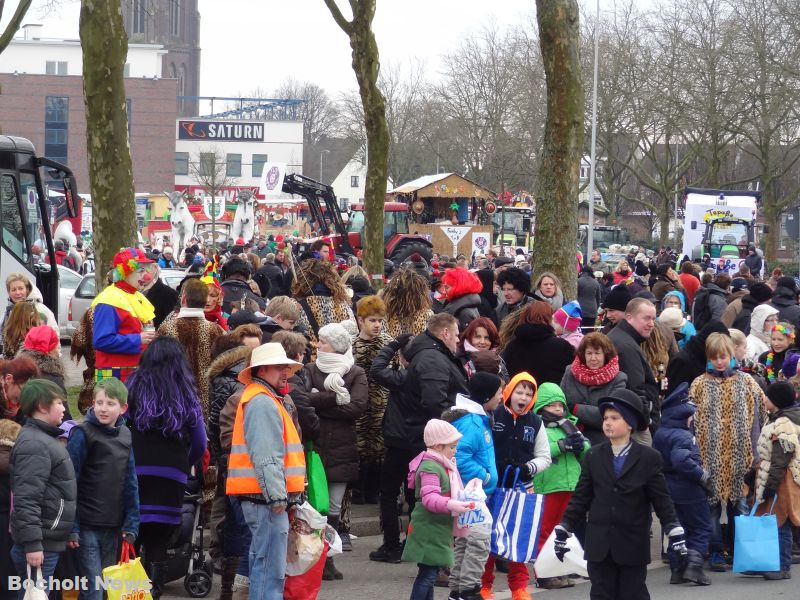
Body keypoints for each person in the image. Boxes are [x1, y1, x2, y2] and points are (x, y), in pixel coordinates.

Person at [555, 389, 687, 600]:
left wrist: (674, 529)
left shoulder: (649, 457)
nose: (607, 422)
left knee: (633, 594)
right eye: (605, 418)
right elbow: (581, 498)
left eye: (615, 418)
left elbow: (661, 499)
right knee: (600, 594)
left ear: (630, 424)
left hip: (632, 544)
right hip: (599, 545)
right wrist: (564, 529)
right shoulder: (592, 455)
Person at [225, 342, 304, 600]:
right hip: (266, 500)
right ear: (262, 370)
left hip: (262, 498)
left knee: (265, 564)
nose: (285, 371)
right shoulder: (262, 401)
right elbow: (267, 456)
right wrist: (278, 497)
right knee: (270, 569)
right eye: (280, 367)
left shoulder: (261, 398)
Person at [126, 337, 206, 591]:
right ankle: (155, 591)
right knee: (159, 540)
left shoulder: (133, 385)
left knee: (132, 535)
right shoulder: (186, 392)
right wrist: (185, 465)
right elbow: (200, 442)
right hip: (172, 473)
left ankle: (131, 593)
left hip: (135, 469)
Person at [289, 323, 368, 569]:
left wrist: (319, 403)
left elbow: (357, 407)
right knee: (312, 505)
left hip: (342, 448)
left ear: (335, 345)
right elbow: (303, 400)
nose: (317, 345)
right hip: (314, 446)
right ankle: (314, 558)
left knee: (332, 506)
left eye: (322, 341)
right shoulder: (310, 369)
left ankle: (327, 558)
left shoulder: (355, 373)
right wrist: (334, 398)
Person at [690, 332, 766, 572]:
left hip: (739, 453)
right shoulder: (699, 384)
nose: (719, 362)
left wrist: (755, 452)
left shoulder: (746, 382)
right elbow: (691, 419)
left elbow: (759, 417)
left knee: (739, 504)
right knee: (711, 505)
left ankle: (739, 549)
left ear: (732, 356)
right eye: (715, 358)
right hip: (709, 453)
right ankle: (715, 550)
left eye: (723, 357)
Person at [66, 377, 140, 600]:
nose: (103, 408)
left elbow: (130, 483)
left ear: (123, 408)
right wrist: (73, 526)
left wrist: (132, 523)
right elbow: (70, 482)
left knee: (106, 587)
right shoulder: (82, 434)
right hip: (87, 524)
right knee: (93, 589)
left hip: (113, 525)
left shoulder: (125, 436)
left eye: (110, 403)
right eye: (99, 402)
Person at [481, 373, 552, 598]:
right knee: (488, 538)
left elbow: (545, 457)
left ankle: (519, 587)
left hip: (522, 486)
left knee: (519, 538)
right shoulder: (493, 415)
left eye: (529, 393)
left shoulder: (536, 422)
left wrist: (528, 468)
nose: (523, 397)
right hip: (493, 485)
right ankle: (484, 585)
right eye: (520, 392)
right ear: (509, 392)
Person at [9, 379, 76, 595]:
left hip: (47, 541)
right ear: (43, 406)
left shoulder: (43, 440)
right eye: (59, 403)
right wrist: (33, 545)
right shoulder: (35, 444)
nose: (64, 408)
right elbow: (27, 498)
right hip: (41, 544)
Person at [442, 372, 504, 600]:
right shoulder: (471, 422)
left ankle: (458, 590)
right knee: (478, 542)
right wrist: (486, 477)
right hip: (471, 494)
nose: (501, 397)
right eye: (499, 393)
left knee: (466, 542)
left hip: (474, 494)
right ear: (487, 396)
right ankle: (469, 591)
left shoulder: (479, 418)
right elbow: (461, 456)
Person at [401, 419, 472, 600]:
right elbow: (430, 499)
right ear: (439, 446)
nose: (455, 451)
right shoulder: (431, 467)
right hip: (429, 528)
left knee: (429, 573)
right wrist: (452, 504)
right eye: (452, 447)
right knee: (428, 574)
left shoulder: (440, 464)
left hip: (436, 527)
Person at [652, 383, 713, 586]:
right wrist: (702, 476)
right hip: (689, 489)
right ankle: (694, 567)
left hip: (668, 487)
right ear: (683, 415)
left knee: (678, 528)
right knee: (701, 527)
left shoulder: (660, 433)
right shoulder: (683, 435)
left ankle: (677, 569)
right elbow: (681, 460)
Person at [530, 382, 589, 590]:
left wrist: (581, 444)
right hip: (549, 486)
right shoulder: (538, 427)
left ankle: (560, 570)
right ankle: (544, 573)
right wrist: (562, 446)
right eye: (552, 405)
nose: (557, 409)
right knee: (545, 530)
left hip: (570, 484)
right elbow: (538, 451)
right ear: (541, 407)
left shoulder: (569, 425)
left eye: (559, 405)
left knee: (564, 531)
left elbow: (585, 452)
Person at [368, 333, 420, 564]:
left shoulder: (402, 378)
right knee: (415, 496)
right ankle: (413, 543)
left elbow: (377, 369)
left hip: (398, 441)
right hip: (419, 442)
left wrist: (393, 344)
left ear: (403, 358)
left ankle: (391, 546)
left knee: (388, 494)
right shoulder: (430, 376)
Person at [752, 381, 800, 580]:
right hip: (772, 475)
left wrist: (771, 486)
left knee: (781, 522)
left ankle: (783, 566)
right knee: (773, 521)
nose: (764, 398)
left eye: (767, 396)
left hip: (781, 479)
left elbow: (781, 459)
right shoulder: (775, 418)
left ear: (776, 401)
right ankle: (770, 562)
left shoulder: (784, 424)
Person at [157, 279, 225, 418]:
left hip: (173, 401)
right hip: (206, 404)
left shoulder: (166, 328)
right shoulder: (216, 330)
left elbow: (156, 365)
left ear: (183, 299)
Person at [92, 248, 157, 383]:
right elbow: (101, 341)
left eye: (146, 270)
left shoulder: (137, 296)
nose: (147, 276)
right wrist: (138, 339)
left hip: (135, 371)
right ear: (125, 272)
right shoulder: (109, 299)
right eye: (141, 271)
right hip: (113, 374)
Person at [352, 296, 394, 504]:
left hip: (382, 405)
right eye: (372, 320)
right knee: (359, 446)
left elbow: (397, 374)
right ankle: (358, 490)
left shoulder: (389, 344)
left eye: (379, 320)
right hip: (358, 406)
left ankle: (374, 491)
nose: (377, 325)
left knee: (379, 448)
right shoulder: (351, 345)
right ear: (361, 320)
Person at [560, 332, 629, 446]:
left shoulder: (618, 379)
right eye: (589, 353)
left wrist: (575, 408)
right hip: (569, 437)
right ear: (583, 354)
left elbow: (609, 415)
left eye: (597, 353)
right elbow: (560, 405)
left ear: (605, 355)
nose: (593, 358)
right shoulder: (570, 371)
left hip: (601, 442)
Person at [607, 298, 659, 442]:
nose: (651, 324)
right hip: (634, 423)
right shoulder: (626, 346)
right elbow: (635, 388)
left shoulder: (624, 339)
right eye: (646, 318)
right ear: (629, 318)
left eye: (653, 319)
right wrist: (646, 421)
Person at [404, 313, 469, 421]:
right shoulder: (432, 359)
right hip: (435, 431)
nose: (458, 340)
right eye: (456, 335)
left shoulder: (435, 355)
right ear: (446, 333)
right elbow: (434, 404)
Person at [290, 258, 355, 356]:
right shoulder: (343, 306)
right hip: (338, 361)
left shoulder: (295, 306)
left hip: (308, 362)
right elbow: (352, 336)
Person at [501, 302, 574, 384]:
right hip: (551, 395)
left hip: (521, 394)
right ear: (549, 319)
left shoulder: (511, 346)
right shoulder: (561, 346)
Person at [17, 325, 66, 394]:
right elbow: (61, 404)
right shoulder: (53, 381)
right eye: (56, 347)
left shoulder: (17, 375)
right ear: (49, 351)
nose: (58, 352)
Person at [577, 265, 602, 330]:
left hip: (580, 310)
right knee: (589, 331)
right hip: (592, 311)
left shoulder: (578, 281)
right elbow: (598, 298)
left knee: (579, 330)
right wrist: (596, 308)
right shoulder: (596, 283)